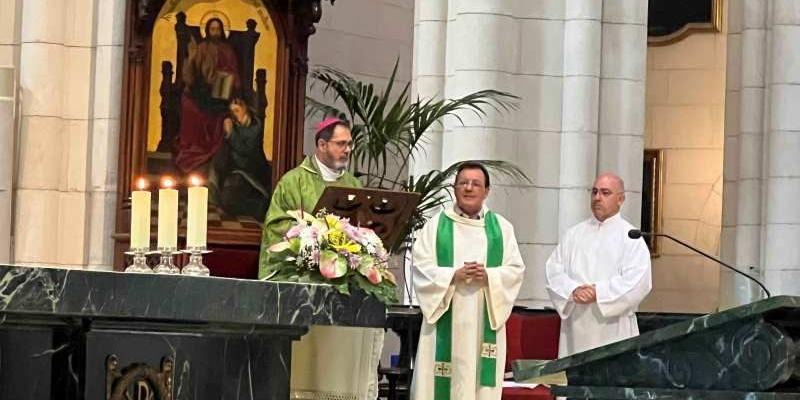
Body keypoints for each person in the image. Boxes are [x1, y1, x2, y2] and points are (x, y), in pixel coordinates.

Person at [259, 117, 382, 400]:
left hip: (344, 289)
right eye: (341, 144)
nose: (348, 149)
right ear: (322, 144)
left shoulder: (353, 184)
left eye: (350, 144)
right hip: (305, 285)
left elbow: (365, 229)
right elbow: (276, 228)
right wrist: (313, 235)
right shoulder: (293, 181)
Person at [411, 162, 525, 400]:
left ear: (486, 191)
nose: (469, 188)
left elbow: (515, 270)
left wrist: (490, 276)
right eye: (463, 183)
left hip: (483, 315)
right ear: (454, 188)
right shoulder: (435, 227)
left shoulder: (502, 228)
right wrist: (453, 275)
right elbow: (420, 268)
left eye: (476, 184)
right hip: (445, 315)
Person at [545, 172, 652, 357]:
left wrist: (598, 292)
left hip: (614, 328)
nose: (597, 198)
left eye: (605, 193)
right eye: (594, 192)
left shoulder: (630, 237)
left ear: (621, 199)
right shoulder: (574, 234)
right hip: (576, 328)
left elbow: (638, 282)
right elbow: (553, 271)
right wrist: (573, 290)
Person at [175, 17, 241, 173]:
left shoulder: (228, 50)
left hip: (222, 92)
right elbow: (192, 73)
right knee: (188, 105)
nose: (215, 32)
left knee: (220, 111)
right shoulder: (201, 48)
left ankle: (212, 149)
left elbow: (234, 74)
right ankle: (193, 147)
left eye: (218, 29)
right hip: (202, 91)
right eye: (212, 29)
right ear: (207, 31)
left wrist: (226, 81)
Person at [209, 97, 271, 219]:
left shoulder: (255, 126)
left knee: (231, 197)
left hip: (251, 170)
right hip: (233, 168)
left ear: (245, 108)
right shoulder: (233, 124)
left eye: (237, 110)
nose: (234, 114)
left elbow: (246, 150)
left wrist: (231, 133)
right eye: (232, 111)